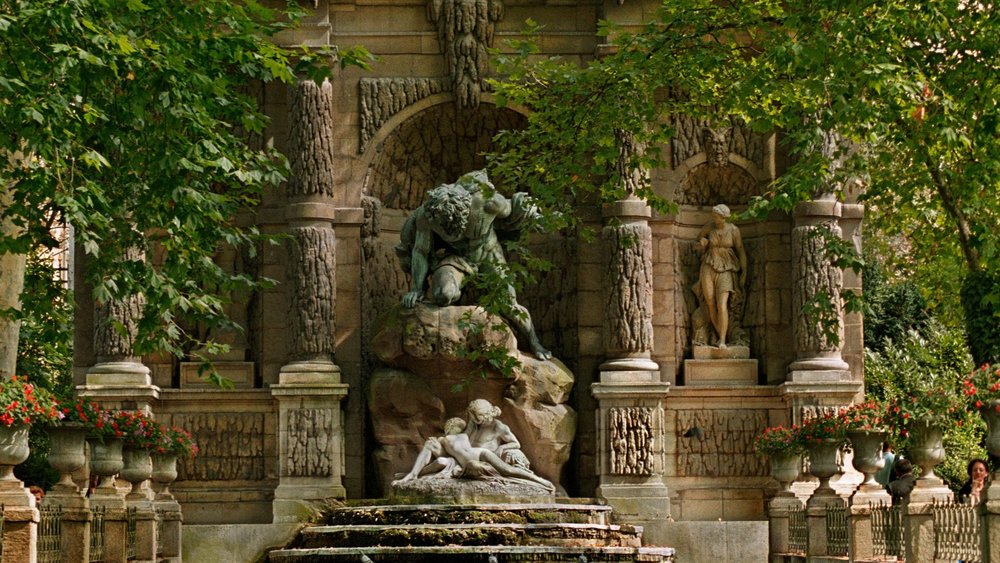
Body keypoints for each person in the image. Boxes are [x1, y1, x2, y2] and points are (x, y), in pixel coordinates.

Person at [395, 170, 551, 360]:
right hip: (455, 258)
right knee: (442, 295)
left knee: (509, 305)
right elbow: (420, 250)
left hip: (488, 253)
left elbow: (515, 209)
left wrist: (536, 216)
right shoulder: (428, 215)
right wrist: (416, 289)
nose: (446, 230)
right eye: (442, 227)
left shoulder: (488, 201)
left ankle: (535, 342)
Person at [696, 203, 747, 349]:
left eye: (716, 216)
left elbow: (741, 251)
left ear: (723, 217)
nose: (714, 218)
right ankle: (720, 334)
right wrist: (702, 243)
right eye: (713, 216)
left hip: (727, 267)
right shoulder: (708, 227)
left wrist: (745, 271)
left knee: (721, 303)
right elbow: (697, 245)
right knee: (710, 302)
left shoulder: (733, 230)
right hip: (708, 265)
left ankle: (723, 339)